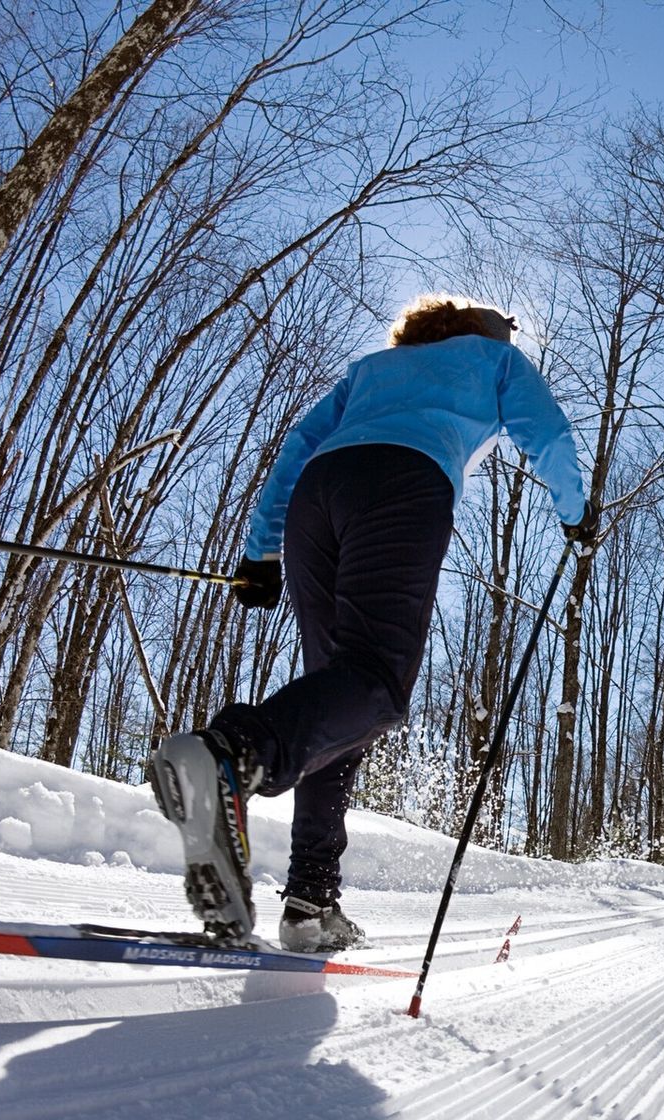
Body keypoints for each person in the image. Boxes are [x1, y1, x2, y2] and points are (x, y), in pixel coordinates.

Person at [148, 295, 596, 952]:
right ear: (487, 332)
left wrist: (261, 550)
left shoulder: (371, 372)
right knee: (377, 685)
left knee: (337, 708)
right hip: (402, 485)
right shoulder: (493, 357)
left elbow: (298, 445)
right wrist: (576, 513)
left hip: (317, 497)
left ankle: (310, 898)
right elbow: (548, 432)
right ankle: (228, 753)